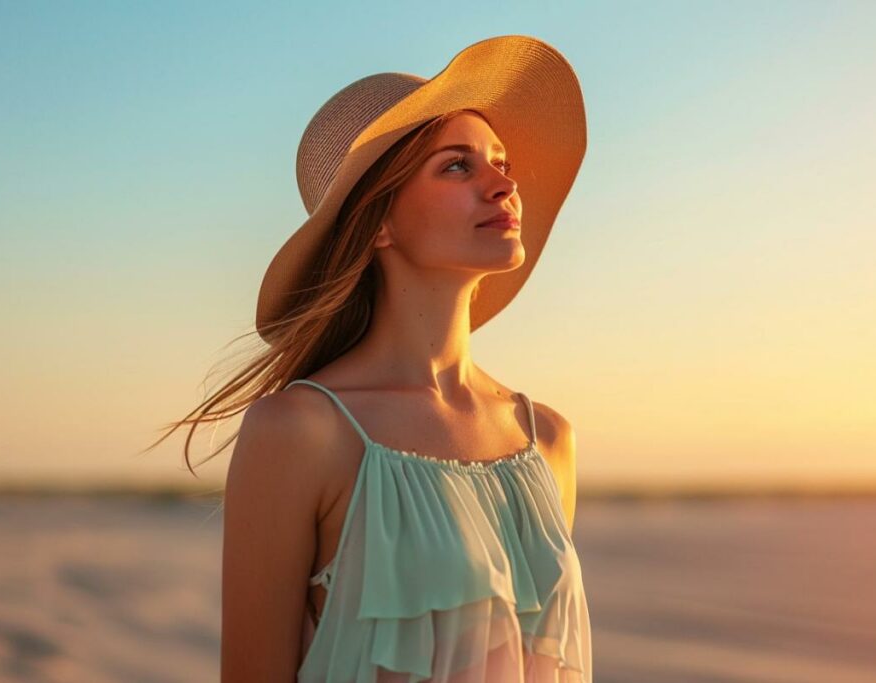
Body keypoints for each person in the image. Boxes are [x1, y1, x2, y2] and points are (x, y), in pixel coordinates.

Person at [154, 35, 590, 682]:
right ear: (378, 223)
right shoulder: (300, 431)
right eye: (457, 166)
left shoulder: (546, 437)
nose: (504, 183)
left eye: (501, 162)